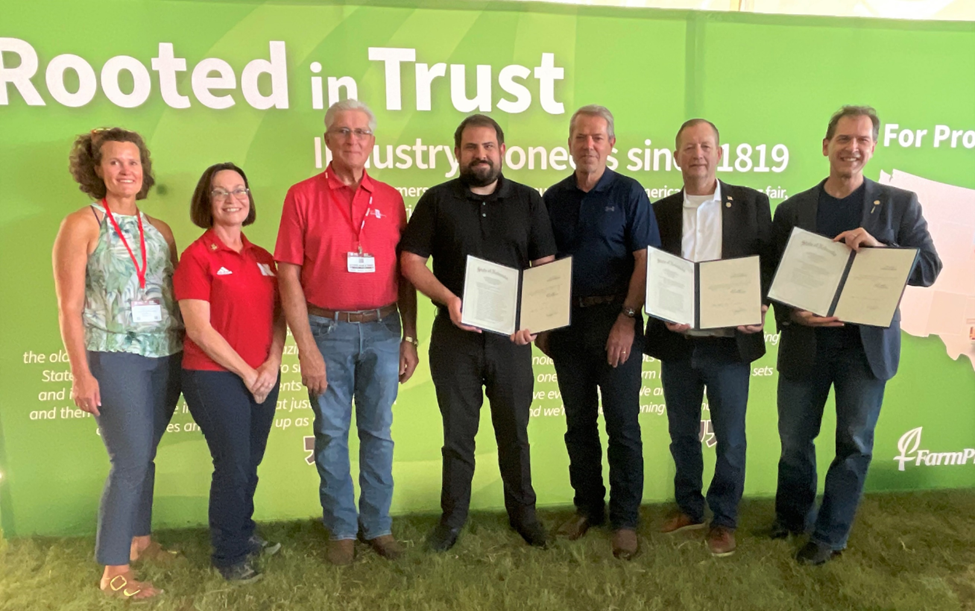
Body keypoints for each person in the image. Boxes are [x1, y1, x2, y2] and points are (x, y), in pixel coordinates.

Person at [770, 105, 941, 565]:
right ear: (826, 146)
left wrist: (883, 250)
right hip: (806, 345)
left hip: (864, 353)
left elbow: (928, 268)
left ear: (873, 147)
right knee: (794, 441)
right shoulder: (793, 210)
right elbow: (773, 279)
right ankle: (790, 519)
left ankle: (830, 534)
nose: (853, 147)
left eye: (863, 140)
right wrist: (793, 314)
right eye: (844, 139)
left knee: (854, 444)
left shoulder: (900, 204)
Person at [400, 114, 556, 552]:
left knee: (515, 431)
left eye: (488, 146)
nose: (480, 155)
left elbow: (544, 266)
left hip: (511, 341)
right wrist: (449, 299)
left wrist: (533, 318)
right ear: (458, 153)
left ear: (502, 151)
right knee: (457, 435)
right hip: (455, 339)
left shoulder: (528, 200)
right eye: (471, 147)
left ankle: (524, 514)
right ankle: (452, 519)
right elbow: (410, 262)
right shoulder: (436, 201)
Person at [274, 100, 418, 566]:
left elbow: (407, 273)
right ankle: (340, 528)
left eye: (361, 132)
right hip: (326, 330)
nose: (352, 140)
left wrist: (409, 337)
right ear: (328, 140)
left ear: (372, 142)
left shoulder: (392, 199)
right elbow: (288, 277)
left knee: (379, 432)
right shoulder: (301, 196)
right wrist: (307, 349)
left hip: (382, 329)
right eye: (342, 131)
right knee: (331, 434)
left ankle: (377, 526)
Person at [52, 128, 183, 600]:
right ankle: (114, 569)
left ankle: (141, 540)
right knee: (127, 460)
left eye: (133, 162)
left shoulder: (161, 231)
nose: (126, 170)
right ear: (97, 169)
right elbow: (69, 307)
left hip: (165, 354)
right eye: (114, 162)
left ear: (143, 170)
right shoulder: (82, 225)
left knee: (144, 454)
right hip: (113, 355)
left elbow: (174, 296)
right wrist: (81, 372)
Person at [643, 119, 773, 557]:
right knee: (681, 433)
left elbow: (769, 266)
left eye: (706, 146)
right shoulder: (658, 211)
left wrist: (762, 305)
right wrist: (661, 313)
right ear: (675, 157)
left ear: (719, 153)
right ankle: (689, 507)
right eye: (688, 147)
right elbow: (649, 274)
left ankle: (724, 520)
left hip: (728, 345)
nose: (697, 153)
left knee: (731, 438)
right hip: (678, 344)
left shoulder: (753, 204)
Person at [538, 105, 660, 560]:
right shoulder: (552, 198)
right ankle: (588, 506)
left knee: (623, 425)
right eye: (580, 137)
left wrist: (628, 318)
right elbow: (543, 265)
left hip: (616, 320)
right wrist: (544, 321)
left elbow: (645, 260)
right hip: (567, 325)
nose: (588, 145)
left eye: (597, 138)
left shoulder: (629, 193)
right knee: (578, 423)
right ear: (569, 143)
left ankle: (626, 518)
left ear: (611, 144)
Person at [174, 163, 286, 582]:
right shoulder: (197, 257)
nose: (231, 199)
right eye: (220, 192)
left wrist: (272, 364)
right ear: (207, 202)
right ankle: (228, 554)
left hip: (263, 374)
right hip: (213, 376)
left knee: (250, 461)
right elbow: (199, 329)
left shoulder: (263, 258)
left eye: (239, 189)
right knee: (233, 464)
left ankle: (242, 530)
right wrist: (246, 372)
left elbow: (280, 317)